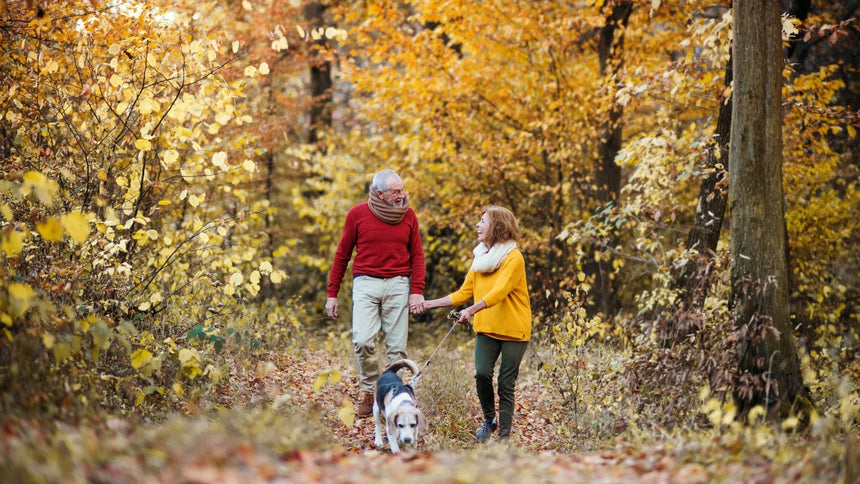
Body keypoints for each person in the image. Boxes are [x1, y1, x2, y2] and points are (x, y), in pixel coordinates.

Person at [420, 205, 531, 443]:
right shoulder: (480, 258)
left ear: (498, 227)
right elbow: (463, 293)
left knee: (505, 384)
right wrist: (427, 304)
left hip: (514, 329)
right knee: (481, 374)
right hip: (487, 328)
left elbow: (500, 292)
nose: (478, 225)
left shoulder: (514, 258)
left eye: (483, 221)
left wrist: (471, 309)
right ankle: (489, 419)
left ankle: (503, 439)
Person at [326, 169, 426, 418]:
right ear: (379, 194)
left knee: (396, 349)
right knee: (362, 341)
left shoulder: (409, 215)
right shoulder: (357, 214)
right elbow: (342, 254)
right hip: (366, 282)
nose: (402, 195)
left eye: (402, 189)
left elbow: (417, 255)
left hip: (398, 283)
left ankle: (393, 396)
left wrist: (417, 291)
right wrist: (332, 292)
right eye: (396, 192)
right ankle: (370, 390)